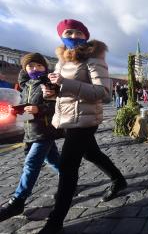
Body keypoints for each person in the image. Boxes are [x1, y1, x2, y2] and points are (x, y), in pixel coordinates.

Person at [38, 19, 127, 234]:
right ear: (61, 36)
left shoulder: (93, 59)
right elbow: (63, 92)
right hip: (68, 118)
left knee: (68, 167)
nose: (74, 36)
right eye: (68, 32)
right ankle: (119, 180)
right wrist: (51, 93)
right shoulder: (60, 62)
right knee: (91, 153)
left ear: (86, 35)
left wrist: (64, 84)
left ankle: (55, 222)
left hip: (85, 120)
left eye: (78, 33)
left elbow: (103, 94)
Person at [0, 53, 60, 222]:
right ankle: (69, 180)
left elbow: (53, 107)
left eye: (39, 66)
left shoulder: (49, 84)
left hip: (45, 131)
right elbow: (27, 110)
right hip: (31, 131)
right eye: (31, 66)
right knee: (53, 160)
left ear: (45, 67)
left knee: (31, 163)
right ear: (25, 68)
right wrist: (18, 112)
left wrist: (38, 109)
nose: (35, 69)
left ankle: (18, 201)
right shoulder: (25, 85)